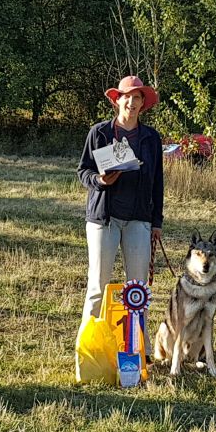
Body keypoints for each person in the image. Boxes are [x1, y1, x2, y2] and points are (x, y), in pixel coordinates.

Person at [77, 75, 165, 326]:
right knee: (98, 285)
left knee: (137, 290)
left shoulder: (151, 138)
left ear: (142, 104)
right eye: (127, 97)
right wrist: (101, 181)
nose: (132, 102)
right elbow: (83, 171)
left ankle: (139, 350)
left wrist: (156, 222)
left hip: (139, 219)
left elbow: (158, 182)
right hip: (104, 219)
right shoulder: (100, 132)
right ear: (118, 101)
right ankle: (89, 350)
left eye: (137, 98)